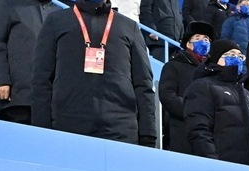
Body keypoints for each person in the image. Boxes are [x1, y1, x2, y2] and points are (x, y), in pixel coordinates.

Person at [32, 0, 157, 147]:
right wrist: (41, 129)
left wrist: (148, 134)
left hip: (120, 132)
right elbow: (41, 80)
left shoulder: (129, 27)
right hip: (67, 129)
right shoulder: (56, 21)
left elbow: (143, 85)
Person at [183, 38, 249, 166]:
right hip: (220, 168)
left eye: (240, 56)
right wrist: (214, 165)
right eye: (230, 54)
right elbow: (199, 131)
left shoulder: (246, 94)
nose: (236, 58)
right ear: (216, 58)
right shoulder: (201, 87)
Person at [0, 0, 59, 124]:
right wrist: (0, 80)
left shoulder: (60, 11)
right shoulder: (8, 4)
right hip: (18, 96)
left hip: (51, 99)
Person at [158, 20, 213, 153]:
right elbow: (167, 95)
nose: (203, 41)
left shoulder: (212, 70)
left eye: (206, 39)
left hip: (209, 134)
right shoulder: (173, 65)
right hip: (182, 131)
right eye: (197, 38)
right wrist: (192, 111)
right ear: (188, 44)